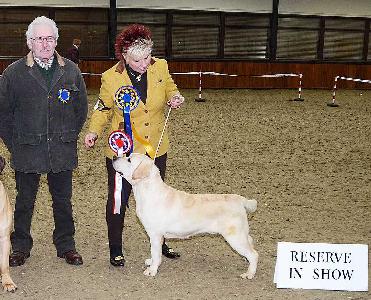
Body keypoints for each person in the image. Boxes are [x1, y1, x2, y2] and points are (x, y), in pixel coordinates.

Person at [84, 24, 184, 267]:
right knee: (119, 199)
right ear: (124, 55)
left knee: (158, 198)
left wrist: (175, 96)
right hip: (123, 150)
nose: (144, 63)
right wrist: (93, 131)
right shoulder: (110, 77)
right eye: (137, 60)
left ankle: (160, 242)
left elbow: (170, 87)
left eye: (147, 57)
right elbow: (103, 108)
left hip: (156, 147)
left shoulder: (160, 66)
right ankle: (116, 248)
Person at [0, 16, 88, 266]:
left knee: (63, 201)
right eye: (39, 39)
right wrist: (14, 143)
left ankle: (66, 245)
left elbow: (80, 109)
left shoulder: (71, 70)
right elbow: (3, 113)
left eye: (49, 38)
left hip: (62, 148)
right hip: (26, 149)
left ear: (56, 41)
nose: (45, 43)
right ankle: (20, 246)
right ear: (29, 42)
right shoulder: (13, 73)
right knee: (24, 201)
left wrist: (67, 134)